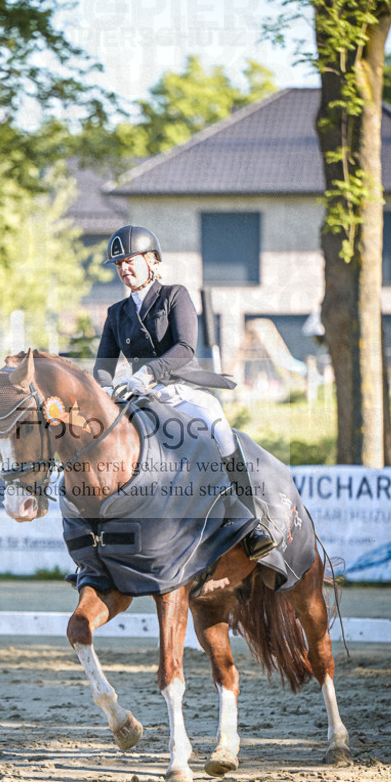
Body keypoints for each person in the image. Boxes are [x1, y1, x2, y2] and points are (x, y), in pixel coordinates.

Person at [93, 224, 275, 562]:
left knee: (218, 426)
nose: (124, 269)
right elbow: (103, 365)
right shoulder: (115, 314)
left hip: (180, 389)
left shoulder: (174, 295)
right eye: (119, 264)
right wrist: (105, 389)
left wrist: (148, 372)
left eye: (130, 260)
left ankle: (251, 521)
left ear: (153, 262)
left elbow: (186, 348)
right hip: (137, 395)